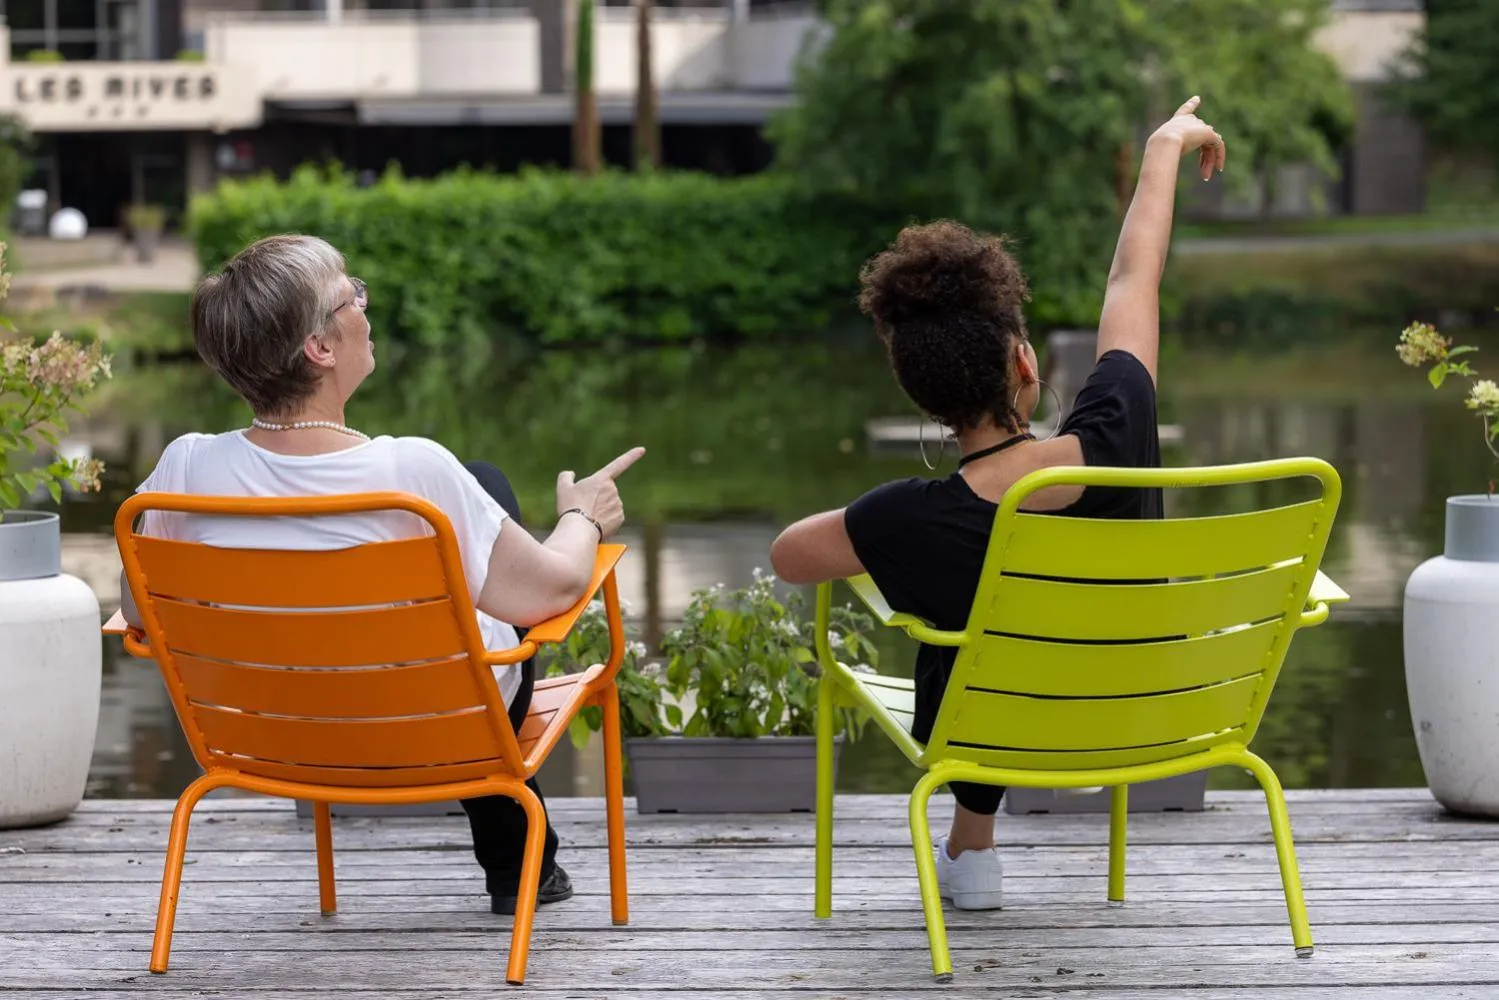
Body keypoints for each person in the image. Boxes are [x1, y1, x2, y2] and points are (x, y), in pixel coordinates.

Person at [769, 97, 1227, 911]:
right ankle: (968, 852)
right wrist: (1162, 149)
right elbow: (1132, 279)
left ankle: (971, 856)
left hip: (998, 732)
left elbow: (789, 555)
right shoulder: (1118, 421)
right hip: (1138, 719)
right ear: (1024, 361)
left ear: (921, 396)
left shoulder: (910, 514)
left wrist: (883, 524)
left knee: (961, 626)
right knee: (1005, 622)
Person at [118, 233, 645, 918]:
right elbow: (550, 592)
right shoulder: (412, 477)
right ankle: (517, 865)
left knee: (472, 511)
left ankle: (521, 861)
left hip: (267, 738)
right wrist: (584, 519)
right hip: (436, 729)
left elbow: (137, 610)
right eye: (350, 295)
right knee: (484, 498)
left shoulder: (182, 472)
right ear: (321, 348)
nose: (364, 304)